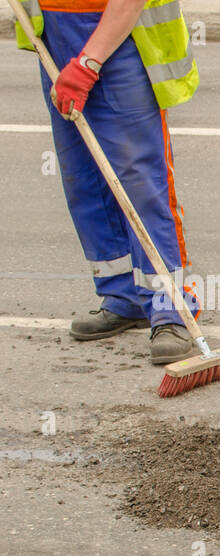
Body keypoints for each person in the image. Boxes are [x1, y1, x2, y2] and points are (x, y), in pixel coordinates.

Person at [16, 0, 202, 364]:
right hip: (57, 38)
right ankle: (123, 295)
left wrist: (87, 64)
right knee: (84, 178)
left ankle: (169, 307)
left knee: (140, 182)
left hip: (121, 41)